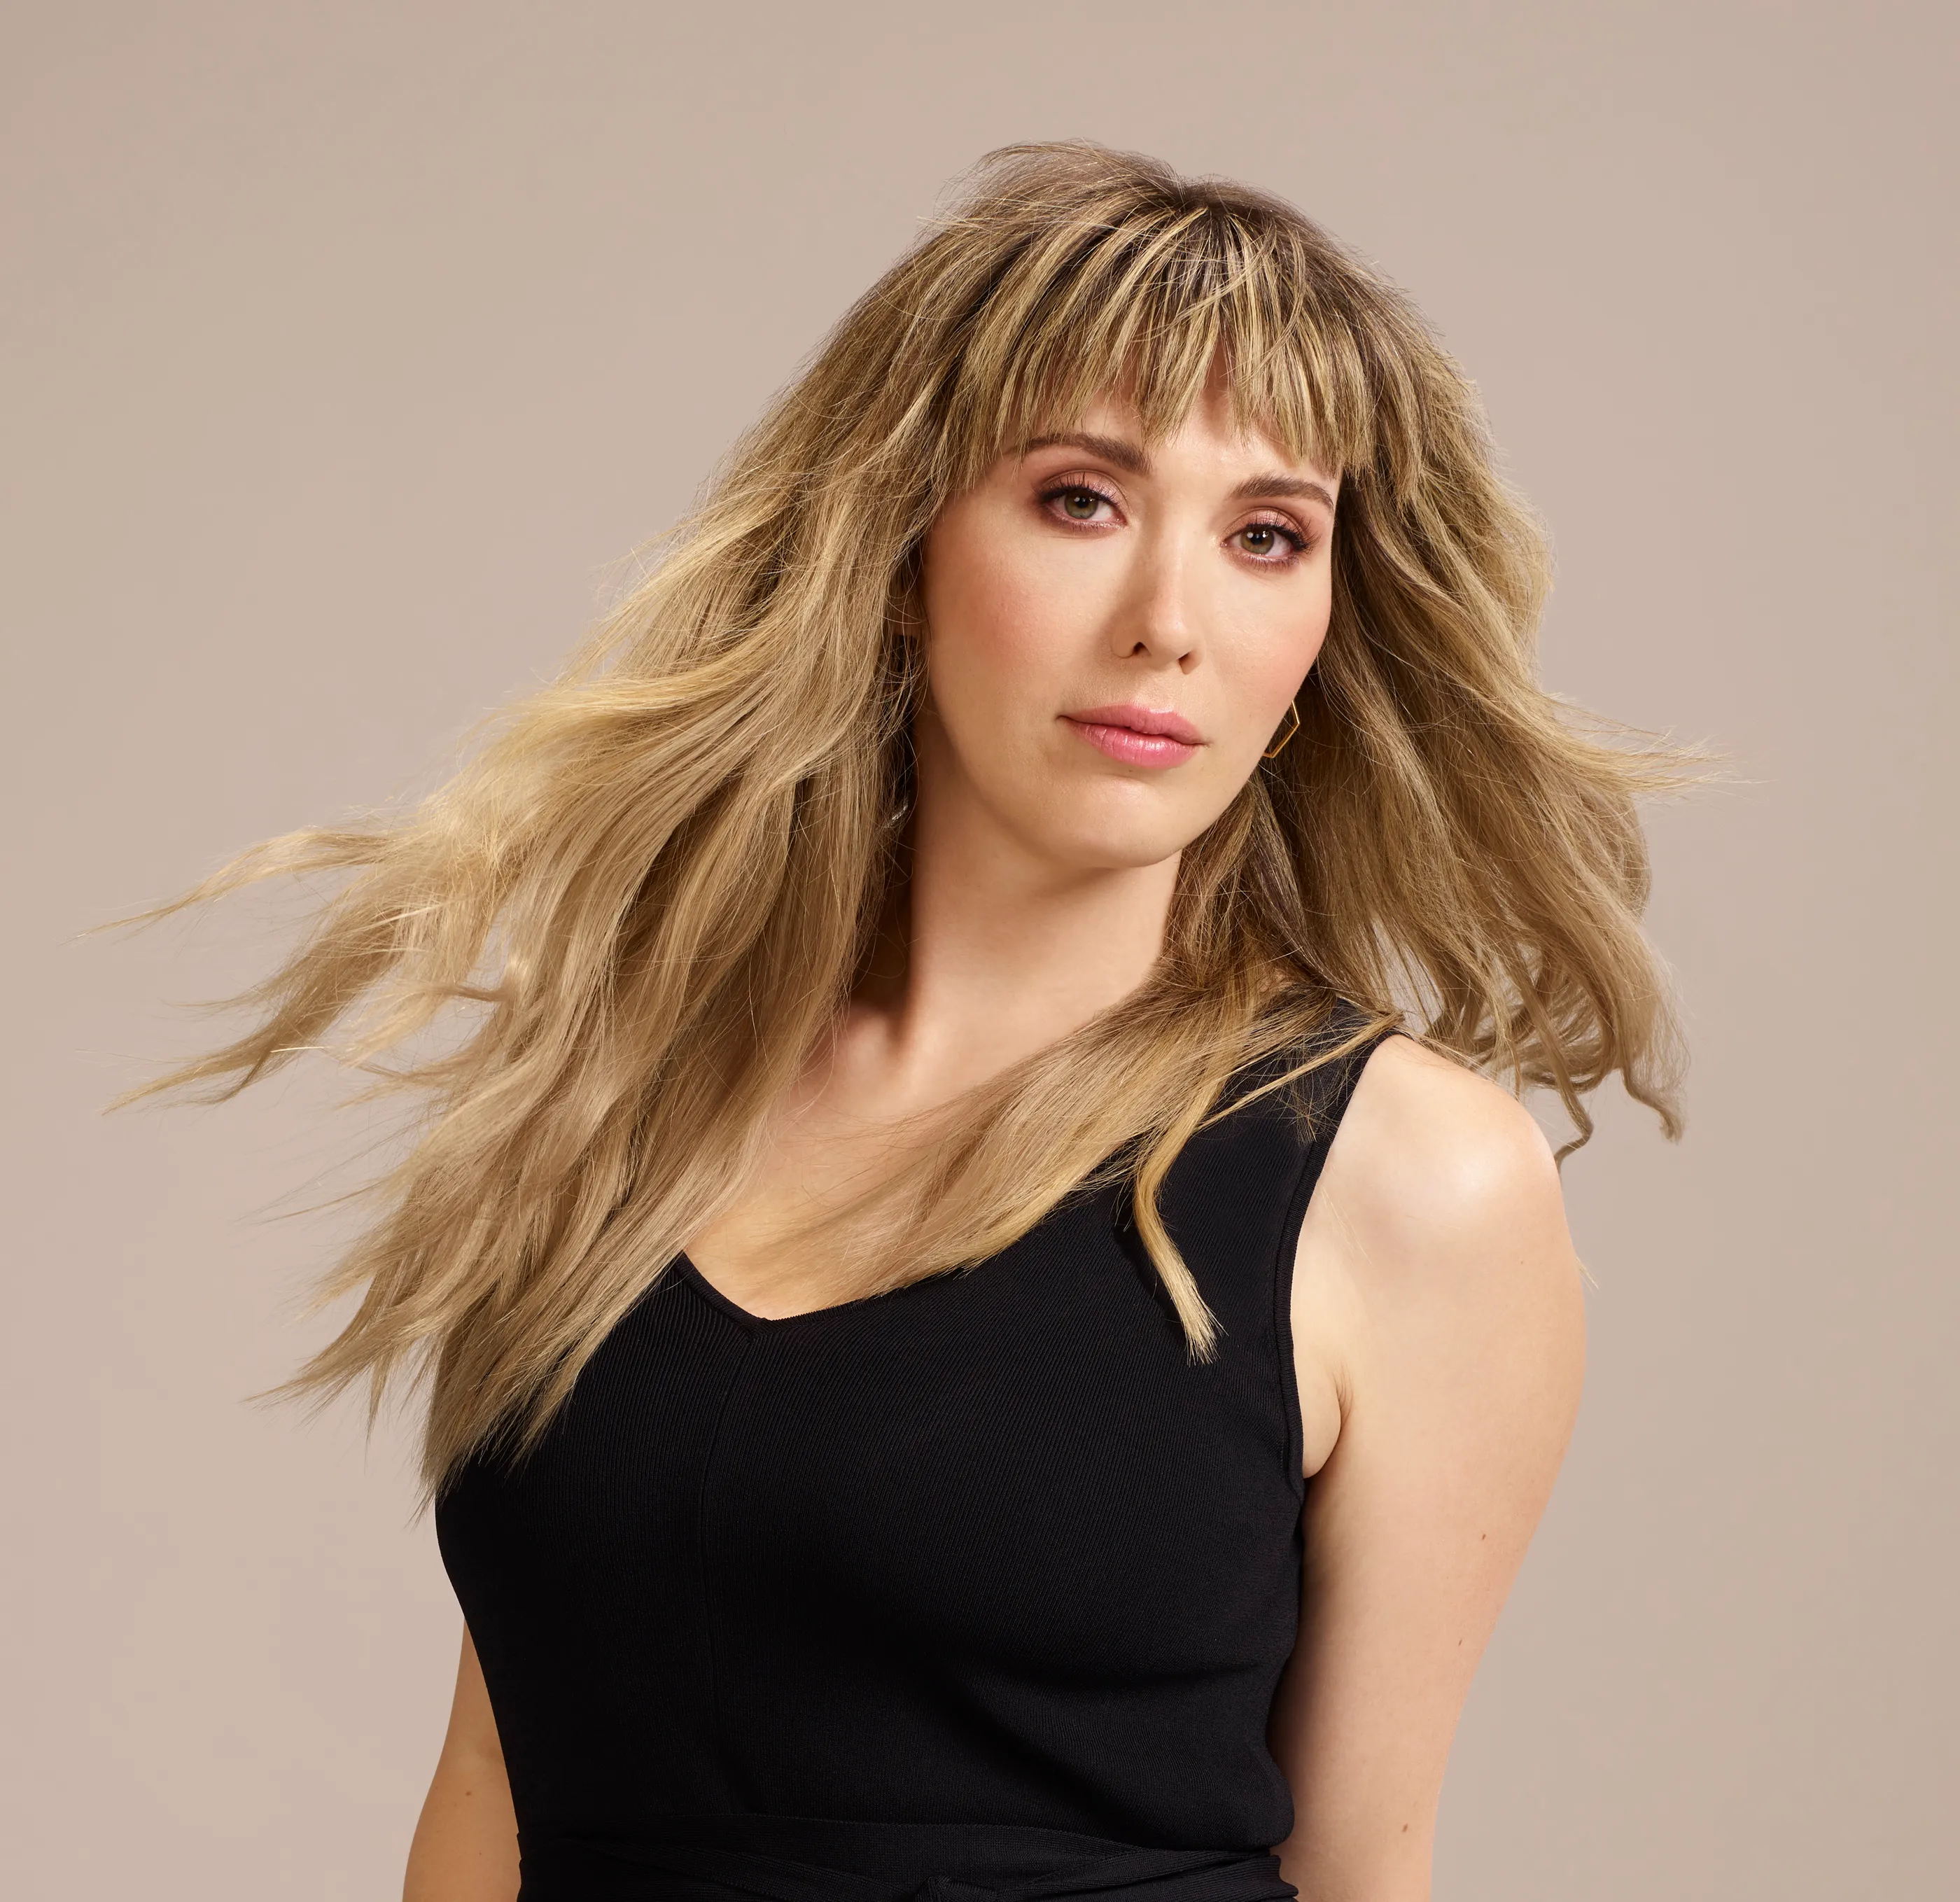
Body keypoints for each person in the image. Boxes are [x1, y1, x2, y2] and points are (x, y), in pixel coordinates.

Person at [131, 141, 1684, 1901]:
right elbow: (496, 1777)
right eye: (1079, 500)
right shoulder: (622, 1092)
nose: (1168, 623)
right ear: (897, 545)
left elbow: (1361, 1865)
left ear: (1322, 624)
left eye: (1266, 537)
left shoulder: (1404, 1178)